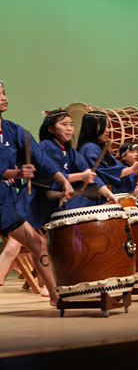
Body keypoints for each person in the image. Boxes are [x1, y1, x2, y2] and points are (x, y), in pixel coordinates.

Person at [0, 80, 74, 306]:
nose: (3, 97)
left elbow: (41, 159)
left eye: (4, 92)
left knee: (38, 243)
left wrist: (63, 180)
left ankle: (54, 295)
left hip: (4, 202)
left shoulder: (13, 131)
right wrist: (14, 172)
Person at [74, 111, 138, 207]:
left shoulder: (99, 148)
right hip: (87, 202)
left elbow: (119, 168)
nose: (108, 130)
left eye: (108, 127)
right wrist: (132, 169)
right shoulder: (90, 148)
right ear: (92, 127)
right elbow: (104, 174)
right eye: (104, 126)